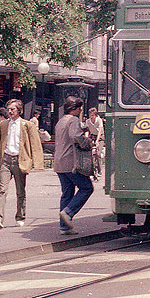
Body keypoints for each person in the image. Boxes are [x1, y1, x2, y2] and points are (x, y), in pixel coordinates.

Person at [0, 99, 43, 229]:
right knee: (2, 189)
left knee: (20, 191)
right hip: (6, 160)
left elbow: (35, 144)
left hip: (20, 161)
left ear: (19, 110)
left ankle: (20, 216)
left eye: (12, 109)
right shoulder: (3, 124)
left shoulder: (27, 125)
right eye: (8, 109)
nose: (9, 111)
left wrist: (37, 163)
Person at [55, 96, 94, 234]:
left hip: (59, 163)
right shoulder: (74, 120)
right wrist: (87, 141)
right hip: (71, 162)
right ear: (76, 109)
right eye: (80, 109)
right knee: (87, 188)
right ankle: (68, 212)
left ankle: (64, 227)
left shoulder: (61, 121)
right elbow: (75, 137)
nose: (80, 111)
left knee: (67, 193)